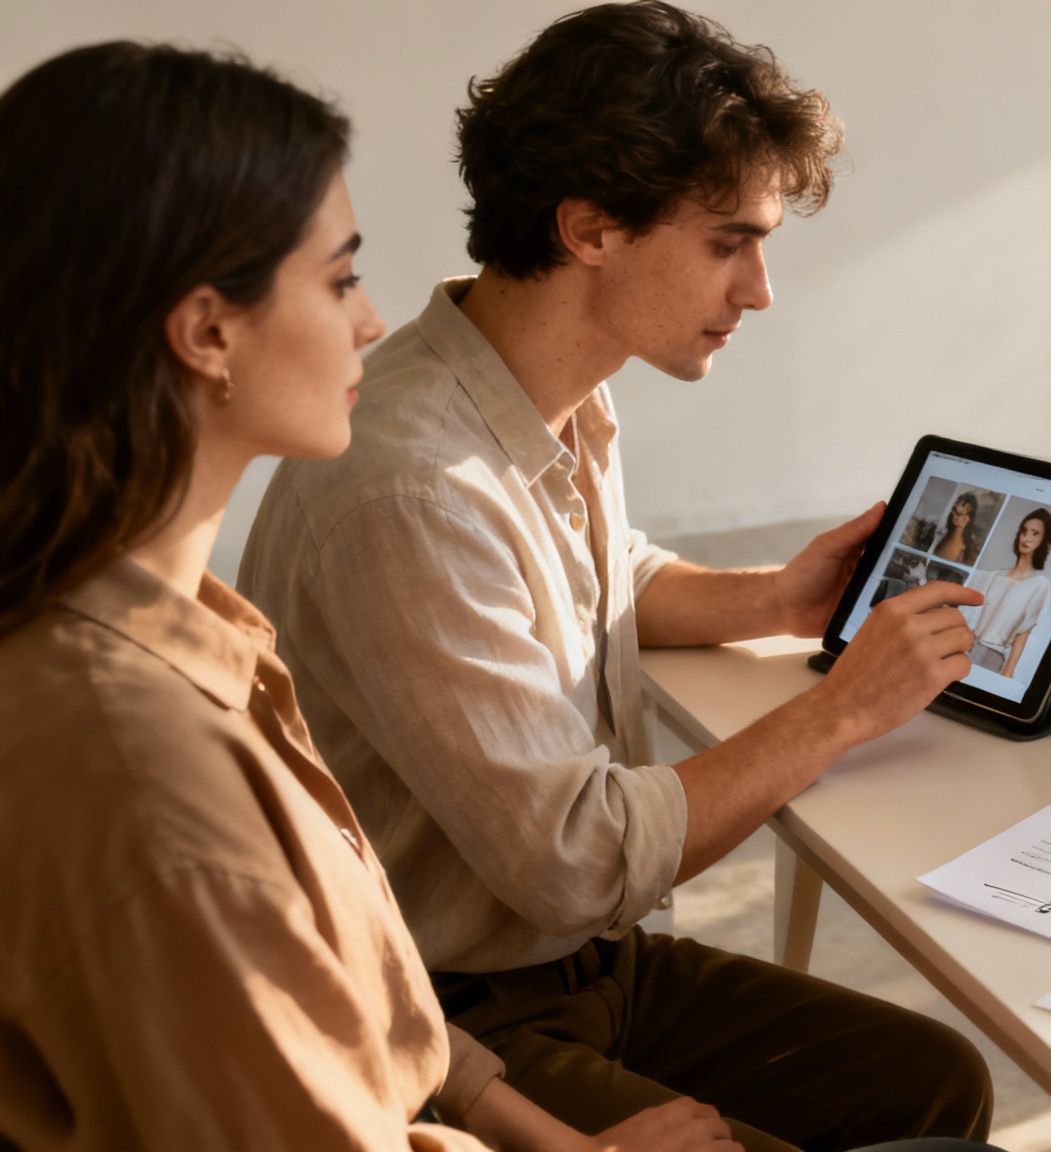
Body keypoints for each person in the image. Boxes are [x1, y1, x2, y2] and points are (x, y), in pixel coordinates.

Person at [236, 6, 994, 1150]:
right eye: (728, 242)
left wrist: (777, 598)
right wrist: (843, 709)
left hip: (580, 967)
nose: (759, 291)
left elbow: (594, 575)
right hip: (452, 1014)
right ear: (591, 229)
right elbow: (575, 862)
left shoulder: (536, 382)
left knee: (933, 1079)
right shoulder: (415, 487)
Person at [0, 41, 743, 1152]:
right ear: (207, 332)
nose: (367, 322)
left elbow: (370, 1020)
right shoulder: (149, 767)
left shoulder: (177, 633)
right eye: (340, 277)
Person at [966, 509, 1051, 678]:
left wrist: (1008, 671)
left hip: (992, 657)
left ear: (1044, 540)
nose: (1026, 537)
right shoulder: (993, 576)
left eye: (1035, 534)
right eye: (1024, 531)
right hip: (965, 646)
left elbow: (1024, 632)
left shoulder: (1040, 586)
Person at [932, 493, 983, 564]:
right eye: (954, 511)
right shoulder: (942, 534)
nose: (954, 516)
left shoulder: (966, 548)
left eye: (959, 514)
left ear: (967, 519)